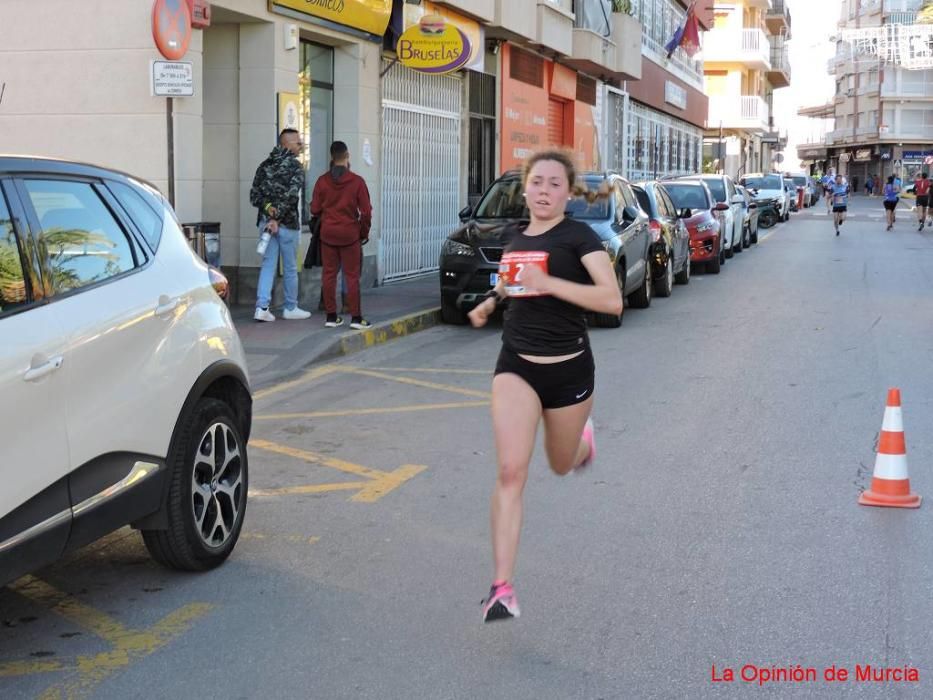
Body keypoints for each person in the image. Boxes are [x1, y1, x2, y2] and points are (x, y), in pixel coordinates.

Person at [467, 150, 623, 623]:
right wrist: (490, 304)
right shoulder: (516, 237)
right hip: (516, 364)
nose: (543, 190)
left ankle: (580, 443)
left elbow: (611, 301)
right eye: (537, 182)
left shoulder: (581, 236)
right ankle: (501, 588)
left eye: (554, 183)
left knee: (559, 464)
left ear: (567, 192)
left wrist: (550, 282)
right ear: (526, 187)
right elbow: (511, 283)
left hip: (569, 369)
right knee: (511, 472)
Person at [310, 141, 373, 329]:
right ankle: (356, 317)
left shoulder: (322, 181)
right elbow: (366, 212)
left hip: (328, 234)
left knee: (328, 275)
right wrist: (363, 232)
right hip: (350, 235)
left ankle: (331, 316)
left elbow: (314, 209)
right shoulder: (357, 181)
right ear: (347, 156)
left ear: (332, 157)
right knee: (351, 275)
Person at [250, 128, 311, 322]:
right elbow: (291, 196)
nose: (301, 146)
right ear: (286, 144)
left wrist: (269, 211)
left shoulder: (264, 166)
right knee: (291, 267)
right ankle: (290, 307)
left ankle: (262, 307)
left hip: (266, 225)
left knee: (268, 265)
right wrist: (278, 218)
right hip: (287, 225)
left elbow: (254, 196)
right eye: (297, 143)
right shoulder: (295, 167)